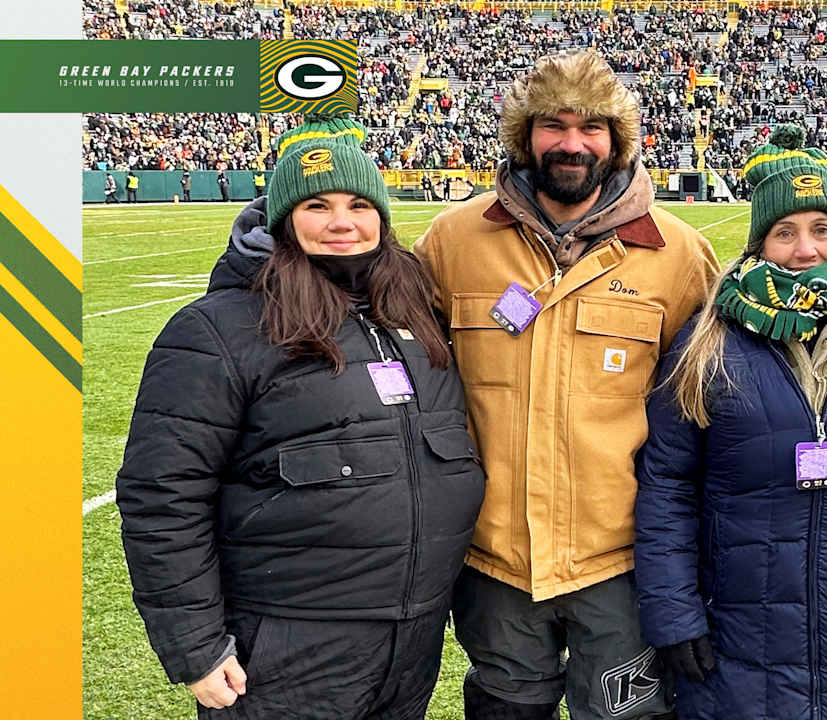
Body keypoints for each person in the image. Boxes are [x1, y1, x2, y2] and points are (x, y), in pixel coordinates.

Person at [116, 114, 485, 720]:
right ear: (283, 216)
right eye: (317, 204)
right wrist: (197, 647)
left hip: (411, 637)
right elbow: (163, 495)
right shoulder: (218, 329)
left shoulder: (413, 312)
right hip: (287, 646)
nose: (342, 222)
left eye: (359, 204)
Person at [414, 49, 718, 720]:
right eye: (553, 125)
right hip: (494, 561)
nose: (572, 143)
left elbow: (710, 416)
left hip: (619, 563)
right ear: (525, 137)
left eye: (592, 128)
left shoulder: (679, 256)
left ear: (618, 142)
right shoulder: (453, 241)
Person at [634, 125, 827, 720]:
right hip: (737, 643)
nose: (805, 250)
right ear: (758, 247)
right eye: (783, 232)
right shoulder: (706, 344)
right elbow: (666, 485)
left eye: (823, 229)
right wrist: (673, 610)